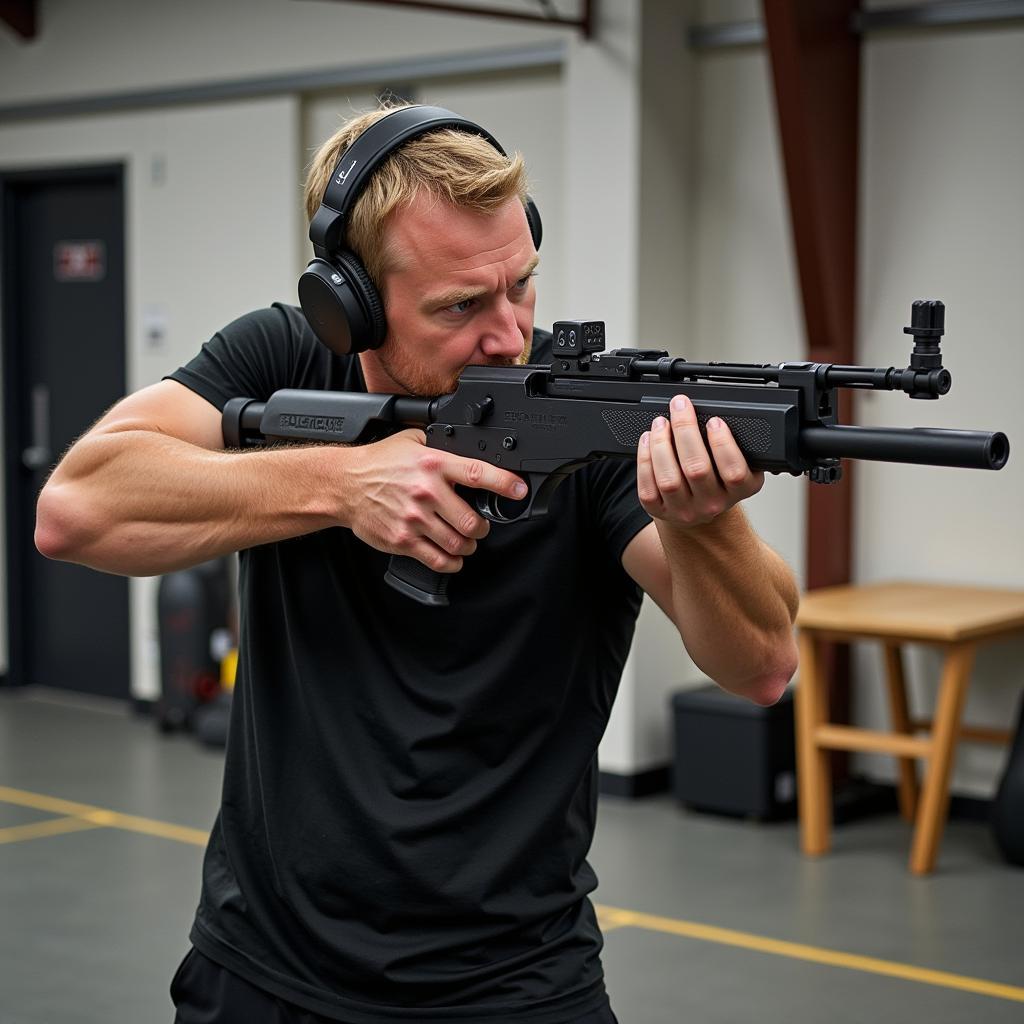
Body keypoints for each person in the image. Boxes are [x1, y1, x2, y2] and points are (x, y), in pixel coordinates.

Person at [35, 102, 800, 1023]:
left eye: (521, 284)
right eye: (459, 306)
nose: (510, 333)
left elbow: (761, 665)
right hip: (263, 970)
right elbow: (76, 508)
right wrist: (342, 486)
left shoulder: (584, 415)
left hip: (514, 985)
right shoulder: (287, 353)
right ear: (348, 305)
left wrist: (705, 523)